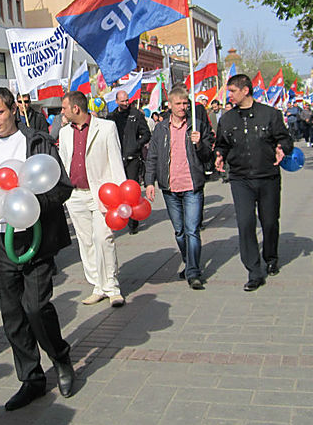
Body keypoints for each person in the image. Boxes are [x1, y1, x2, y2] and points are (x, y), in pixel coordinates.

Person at [0, 87, 76, 410]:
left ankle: (61, 358)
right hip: (1, 243)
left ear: (13, 109)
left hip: (36, 239)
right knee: (13, 316)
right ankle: (31, 378)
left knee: (36, 307)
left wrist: (30, 203)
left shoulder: (37, 142)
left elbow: (62, 188)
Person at [214, 74, 293, 291]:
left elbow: (286, 139)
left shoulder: (270, 115)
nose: (228, 95)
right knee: (246, 223)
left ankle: (271, 256)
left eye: (232, 91)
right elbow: (222, 144)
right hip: (241, 179)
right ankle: (254, 271)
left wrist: (282, 148)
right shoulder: (227, 119)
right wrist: (219, 154)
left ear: (245, 90)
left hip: (268, 177)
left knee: (269, 221)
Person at [58, 91, 127, 307]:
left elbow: (116, 160)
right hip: (76, 195)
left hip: (102, 193)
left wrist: (122, 194)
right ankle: (98, 285)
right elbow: (63, 162)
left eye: (64, 108)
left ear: (75, 109)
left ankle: (112, 287)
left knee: (103, 239)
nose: (62, 112)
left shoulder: (106, 127)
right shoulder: (64, 133)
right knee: (86, 242)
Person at [144, 87, 214, 290]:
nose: (183, 107)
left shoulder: (196, 125)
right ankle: (189, 261)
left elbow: (208, 156)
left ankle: (193, 271)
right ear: (170, 105)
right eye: (179, 104)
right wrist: (150, 182)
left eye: (186, 103)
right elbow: (153, 157)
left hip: (192, 185)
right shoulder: (160, 128)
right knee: (180, 231)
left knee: (192, 230)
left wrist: (200, 144)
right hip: (170, 186)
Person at [109, 89, 151, 234]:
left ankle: (133, 222)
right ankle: (122, 216)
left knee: (132, 191)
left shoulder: (136, 114)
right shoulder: (111, 117)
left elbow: (146, 134)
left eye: (127, 100)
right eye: (123, 101)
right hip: (117, 158)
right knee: (119, 191)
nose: (126, 103)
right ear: (117, 101)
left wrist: (136, 145)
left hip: (132, 158)